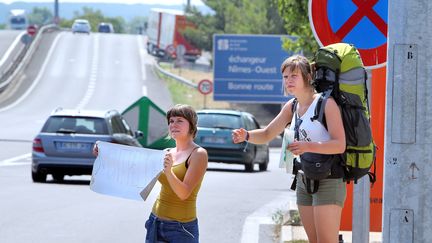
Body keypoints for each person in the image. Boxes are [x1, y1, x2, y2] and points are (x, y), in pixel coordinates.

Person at [232, 55, 346, 243]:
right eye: (285, 77)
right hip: (303, 179)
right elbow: (268, 133)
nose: (288, 81)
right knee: (314, 241)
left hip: (329, 179)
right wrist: (247, 136)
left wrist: (307, 146)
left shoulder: (326, 104)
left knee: (326, 241)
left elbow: (339, 144)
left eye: (294, 76)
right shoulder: (292, 106)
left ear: (308, 77)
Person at [93, 104, 208, 243]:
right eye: (171, 121)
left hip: (181, 229)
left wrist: (169, 171)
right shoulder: (166, 152)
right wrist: (105, 154)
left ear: (191, 125)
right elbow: (134, 169)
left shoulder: (198, 154)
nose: (173, 124)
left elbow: (184, 193)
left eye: (179, 120)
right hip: (155, 222)